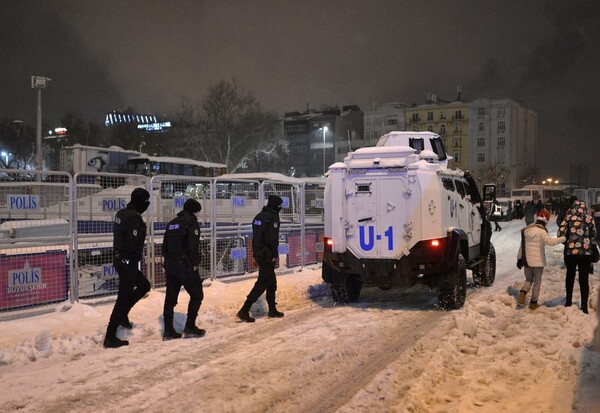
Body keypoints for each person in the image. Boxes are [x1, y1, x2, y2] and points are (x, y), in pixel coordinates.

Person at [104, 188, 152, 348]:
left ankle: (123, 315)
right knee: (122, 299)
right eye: (146, 202)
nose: (147, 205)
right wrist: (131, 260)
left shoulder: (122, 213)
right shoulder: (133, 218)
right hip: (127, 263)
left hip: (121, 260)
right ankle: (110, 336)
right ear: (140, 202)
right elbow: (132, 242)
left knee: (144, 285)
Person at [162, 198, 206, 340]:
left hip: (170, 265)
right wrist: (195, 262)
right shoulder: (191, 223)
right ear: (194, 211)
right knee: (197, 295)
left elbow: (164, 247)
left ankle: (168, 330)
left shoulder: (172, 223)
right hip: (185, 266)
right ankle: (190, 326)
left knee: (170, 298)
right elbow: (193, 246)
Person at [237, 195, 285, 322]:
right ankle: (244, 309)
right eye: (280, 205)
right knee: (263, 282)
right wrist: (274, 255)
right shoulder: (272, 217)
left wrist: (255, 253)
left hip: (259, 252)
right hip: (267, 254)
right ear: (276, 205)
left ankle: (272, 309)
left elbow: (256, 238)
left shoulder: (259, 216)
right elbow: (273, 239)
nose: (281, 208)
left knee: (271, 282)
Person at [516, 209, 566, 310]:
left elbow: (522, 246)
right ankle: (533, 303)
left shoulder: (526, 230)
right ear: (546, 222)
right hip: (538, 262)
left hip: (527, 261)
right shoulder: (542, 232)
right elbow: (551, 242)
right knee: (537, 282)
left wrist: (519, 258)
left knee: (528, 279)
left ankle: (522, 295)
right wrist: (564, 238)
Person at [557, 200, 596, 314]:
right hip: (586, 253)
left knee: (570, 275)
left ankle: (568, 301)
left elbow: (560, 233)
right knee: (584, 279)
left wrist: (569, 242)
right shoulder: (589, 218)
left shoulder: (568, 218)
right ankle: (584, 306)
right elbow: (594, 233)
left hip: (571, 253)